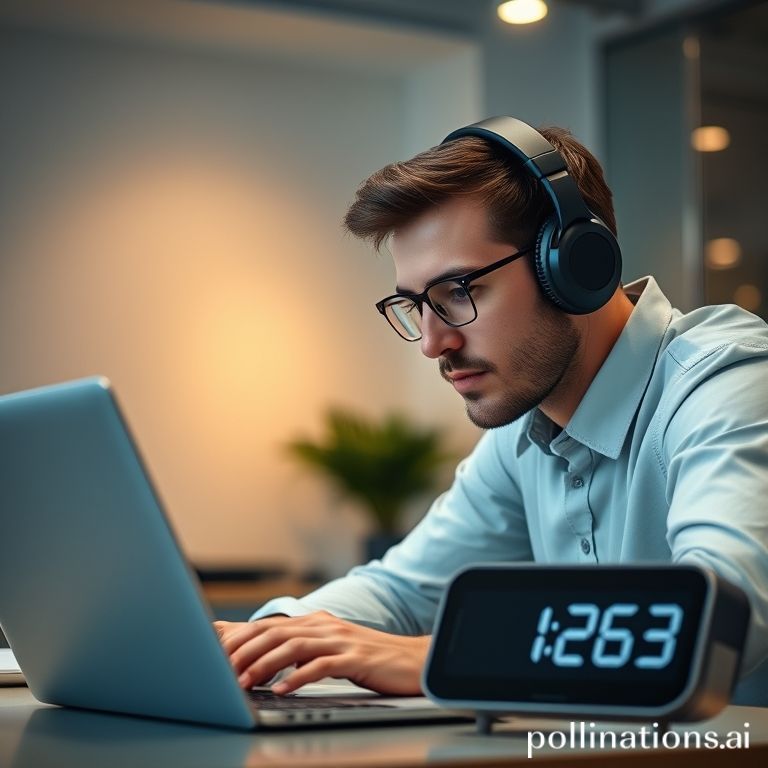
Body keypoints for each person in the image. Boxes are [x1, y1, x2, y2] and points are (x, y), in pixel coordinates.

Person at [215, 117, 768, 705]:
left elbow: (720, 619)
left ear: (576, 268)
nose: (433, 344)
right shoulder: (528, 429)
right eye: (414, 305)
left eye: (459, 291)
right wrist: (266, 639)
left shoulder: (728, 383)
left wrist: (440, 655)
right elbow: (402, 592)